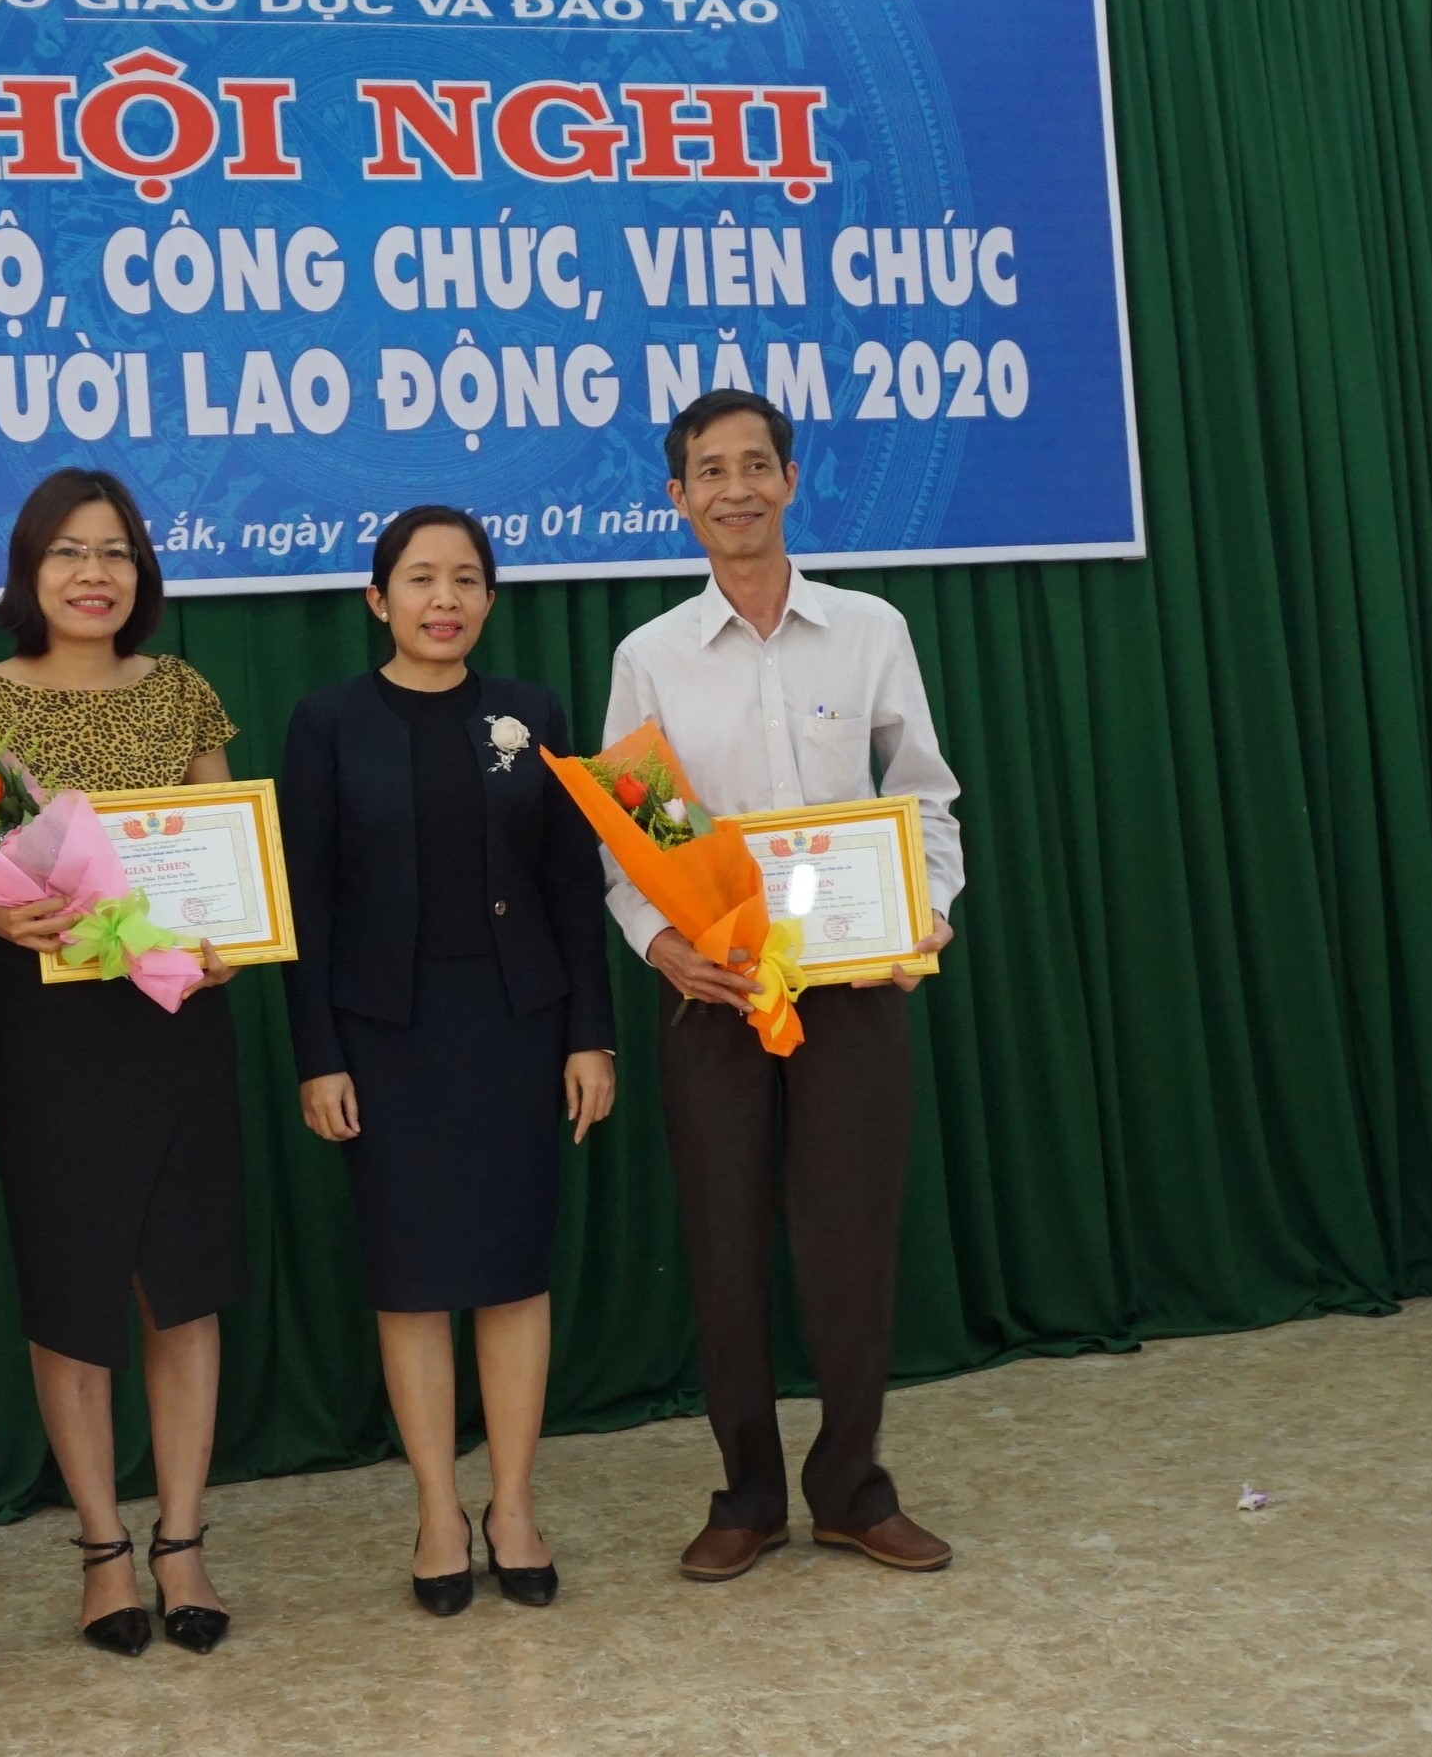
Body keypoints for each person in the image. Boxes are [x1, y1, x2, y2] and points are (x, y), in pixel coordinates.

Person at [602, 390, 963, 1584]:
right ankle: (747, 1494)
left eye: (755, 465)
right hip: (715, 996)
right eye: (710, 471)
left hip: (851, 989)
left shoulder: (868, 630)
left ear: (791, 481)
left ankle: (853, 1489)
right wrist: (661, 942)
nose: (736, 489)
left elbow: (923, 795)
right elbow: (634, 833)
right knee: (722, 1245)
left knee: (851, 1242)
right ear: (678, 498)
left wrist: (925, 907)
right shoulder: (650, 656)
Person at [0, 468, 245, 1659]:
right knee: (70, 1282)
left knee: (183, 1282)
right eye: (68, 551)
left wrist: (231, 936)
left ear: (140, 571)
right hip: (51, 1025)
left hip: (178, 1021)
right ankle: (104, 1549)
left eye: (114, 551)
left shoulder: (183, 689)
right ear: (30, 568)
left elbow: (226, 846)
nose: (93, 573)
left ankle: (183, 1540)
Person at [281, 506, 618, 1616]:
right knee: (412, 1280)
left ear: (488, 598)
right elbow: (305, 905)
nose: (444, 599)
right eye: (420, 578)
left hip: (516, 1023)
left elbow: (571, 883)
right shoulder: (327, 722)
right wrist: (318, 1054)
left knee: (514, 1272)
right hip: (384, 1034)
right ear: (376, 598)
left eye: (465, 578)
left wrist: (590, 1033)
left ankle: (512, 1504)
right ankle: (436, 1510)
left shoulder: (530, 712)